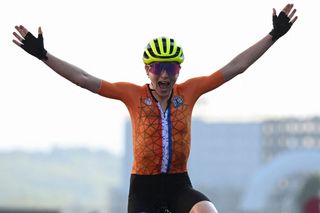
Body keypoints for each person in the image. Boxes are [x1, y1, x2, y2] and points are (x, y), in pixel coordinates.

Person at [12, 3, 298, 213]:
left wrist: (272, 36)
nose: (164, 76)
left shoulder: (189, 92)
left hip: (179, 185)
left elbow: (237, 67)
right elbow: (84, 80)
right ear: (148, 70)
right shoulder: (132, 95)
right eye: (158, 68)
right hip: (143, 189)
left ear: (178, 71)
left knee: (208, 212)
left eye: (171, 68)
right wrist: (43, 56)